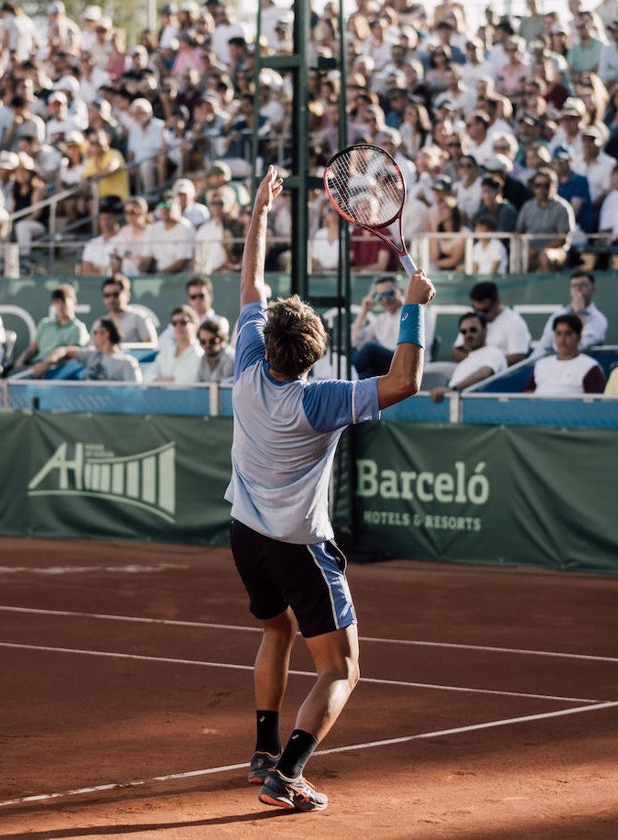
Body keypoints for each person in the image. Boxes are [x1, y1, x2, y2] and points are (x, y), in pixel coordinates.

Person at [230, 166, 435, 813]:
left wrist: (259, 216)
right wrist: (414, 307)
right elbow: (403, 382)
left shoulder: (242, 364)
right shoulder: (320, 401)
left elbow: (252, 283)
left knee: (276, 632)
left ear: (267, 346)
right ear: (311, 358)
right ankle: (285, 773)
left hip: (246, 536)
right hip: (297, 545)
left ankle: (264, 748)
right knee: (341, 669)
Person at [352, 275, 436, 377]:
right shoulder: (381, 320)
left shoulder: (417, 312)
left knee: (370, 348)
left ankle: (345, 374)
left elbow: (421, 346)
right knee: (362, 375)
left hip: (408, 365)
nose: (385, 300)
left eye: (390, 293)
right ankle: (347, 376)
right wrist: (364, 311)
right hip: (385, 369)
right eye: (380, 296)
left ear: (400, 291)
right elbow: (355, 342)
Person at [10, 284, 89, 378]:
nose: (60, 306)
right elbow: (31, 349)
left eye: (64, 301)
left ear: (74, 302)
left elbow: (72, 355)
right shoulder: (45, 324)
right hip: (32, 368)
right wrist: (20, 362)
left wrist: (45, 366)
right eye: (57, 302)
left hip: (55, 372)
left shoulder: (78, 328)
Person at [431, 311, 508, 401]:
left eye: (473, 330)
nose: (468, 335)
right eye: (464, 332)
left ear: (485, 330)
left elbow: (483, 374)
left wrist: (453, 390)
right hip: (456, 407)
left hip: (478, 407)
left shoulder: (493, 353)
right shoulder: (465, 362)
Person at [524, 314, 607, 394]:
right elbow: (527, 396)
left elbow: (597, 404)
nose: (562, 339)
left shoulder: (590, 367)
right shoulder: (540, 365)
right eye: (558, 333)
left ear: (578, 337)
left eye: (568, 334)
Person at [48, 316, 143, 382]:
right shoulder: (92, 354)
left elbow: (135, 393)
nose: (92, 336)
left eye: (95, 332)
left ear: (105, 334)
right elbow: (66, 350)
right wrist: (46, 363)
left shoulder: (127, 363)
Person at [536, 271, 608, 355]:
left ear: (592, 290)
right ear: (570, 291)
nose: (578, 289)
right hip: (555, 362)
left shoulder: (599, 319)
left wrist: (581, 312)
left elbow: (586, 344)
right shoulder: (558, 315)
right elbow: (544, 345)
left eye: (583, 285)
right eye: (574, 286)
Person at [144, 305, 203, 383]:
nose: (178, 326)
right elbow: (146, 377)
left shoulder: (200, 355)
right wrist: (164, 381)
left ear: (195, 326)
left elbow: (185, 384)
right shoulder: (166, 353)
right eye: (174, 323)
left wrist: (160, 382)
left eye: (183, 322)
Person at [100, 273, 157, 345]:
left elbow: (150, 348)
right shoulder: (100, 323)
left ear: (127, 296)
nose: (111, 299)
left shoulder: (139, 318)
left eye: (116, 294)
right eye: (107, 295)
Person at [196, 318, 235, 382]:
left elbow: (226, 388)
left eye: (212, 341)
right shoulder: (203, 358)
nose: (207, 345)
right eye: (203, 341)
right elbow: (197, 386)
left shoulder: (230, 358)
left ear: (221, 339)